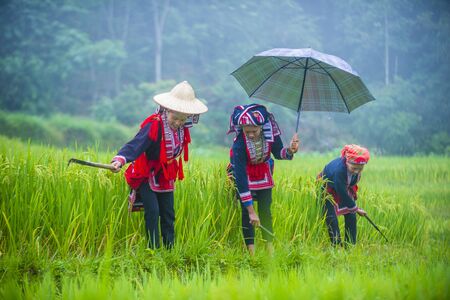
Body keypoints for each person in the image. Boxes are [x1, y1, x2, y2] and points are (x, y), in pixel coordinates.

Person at [110, 81, 208, 249]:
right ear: (167, 110)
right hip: (147, 173)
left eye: (182, 120)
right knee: (153, 212)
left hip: (166, 174)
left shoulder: (182, 128)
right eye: (175, 118)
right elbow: (136, 144)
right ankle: (153, 250)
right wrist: (120, 160)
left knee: (168, 213)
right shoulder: (154, 124)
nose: (178, 122)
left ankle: (170, 250)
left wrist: (180, 124)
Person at [227, 104, 299, 255]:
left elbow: (279, 153)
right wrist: (251, 210)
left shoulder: (270, 134)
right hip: (245, 176)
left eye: (254, 131)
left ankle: (270, 249)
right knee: (247, 215)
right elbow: (240, 177)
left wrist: (290, 150)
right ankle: (251, 253)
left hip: (264, 175)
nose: (251, 134)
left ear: (262, 126)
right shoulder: (239, 144)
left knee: (265, 211)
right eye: (247, 131)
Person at [318, 144, 370, 246]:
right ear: (347, 162)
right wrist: (357, 209)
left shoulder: (356, 169)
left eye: (360, 169)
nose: (356, 171)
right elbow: (342, 192)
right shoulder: (339, 171)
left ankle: (350, 245)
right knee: (331, 218)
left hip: (343, 187)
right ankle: (336, 245)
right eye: (354, 168)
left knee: (351, 215)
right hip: (328, 188)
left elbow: (345, 189)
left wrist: (354, 209)